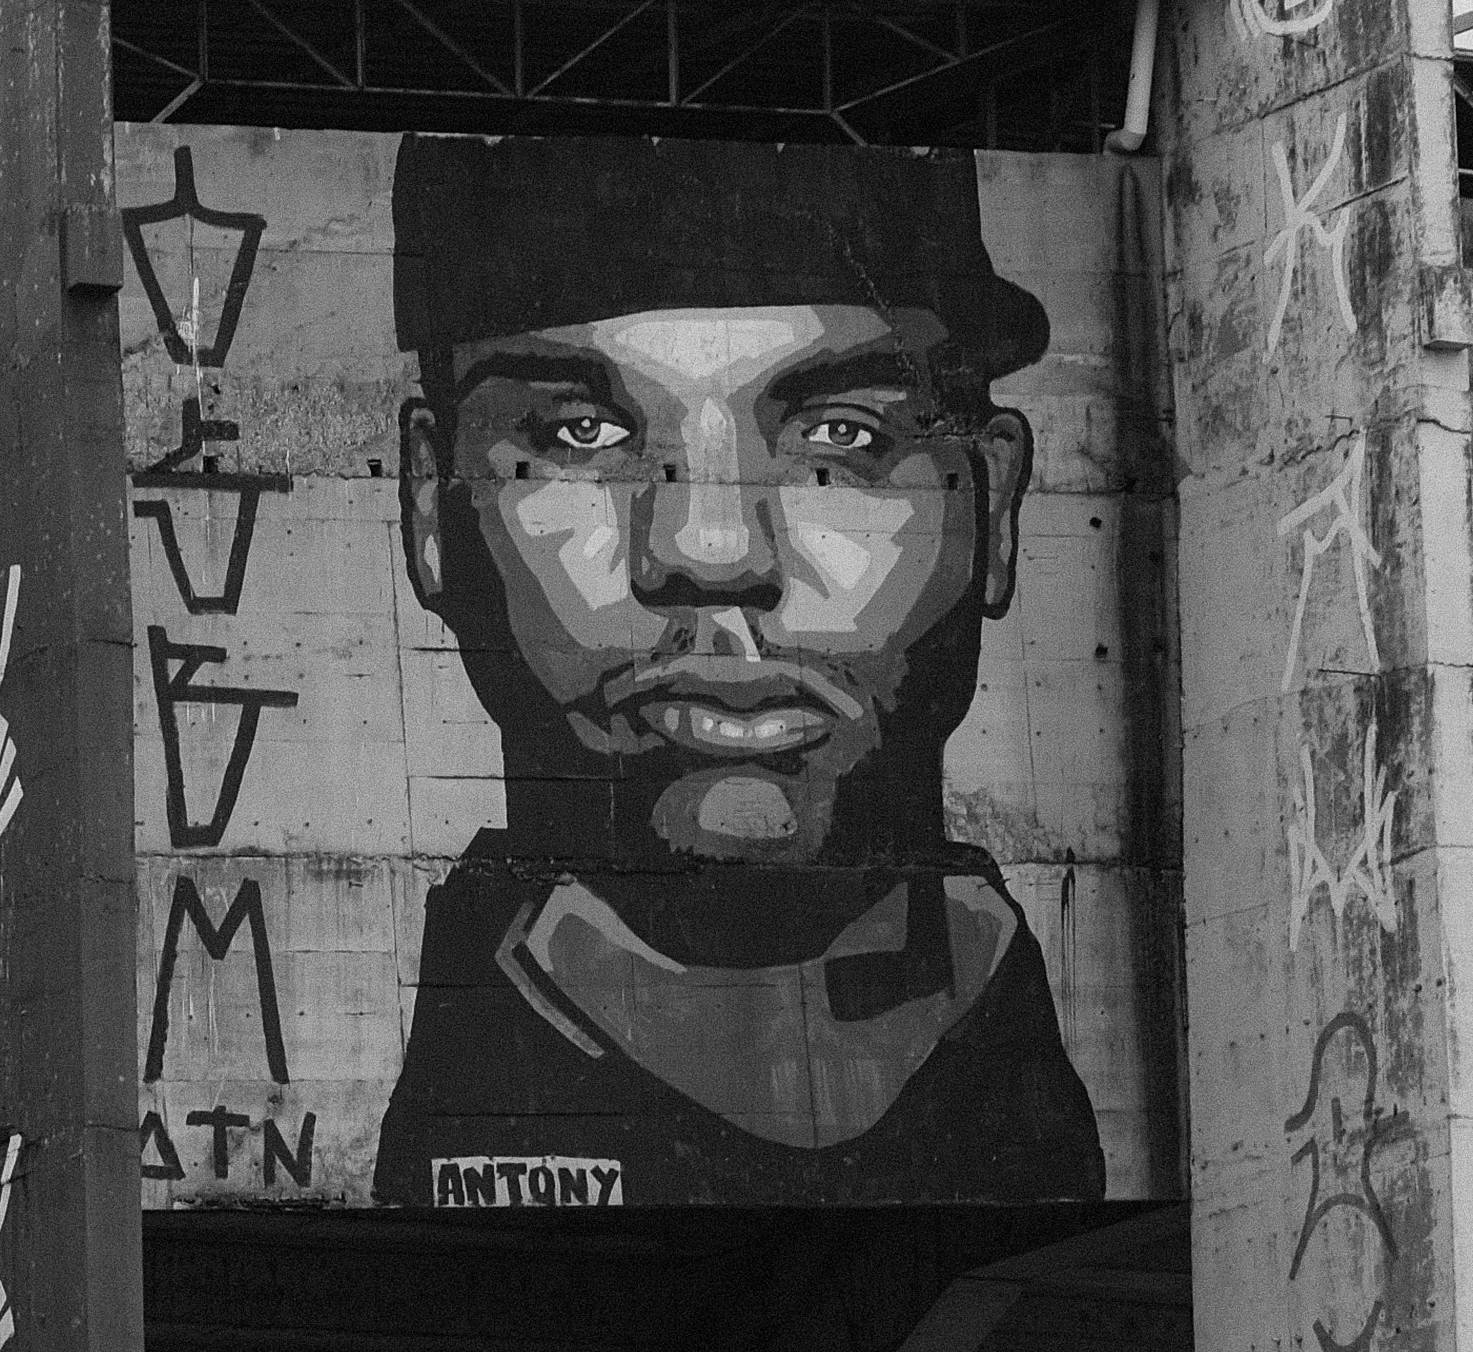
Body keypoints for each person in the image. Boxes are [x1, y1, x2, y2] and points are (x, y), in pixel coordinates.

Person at [369, 135, 1105, 1207]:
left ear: (991, 504)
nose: (710, 549)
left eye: (839, 436)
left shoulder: (1031, 1085)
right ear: (431, 503)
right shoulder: (458, 1093)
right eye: (583, 432)